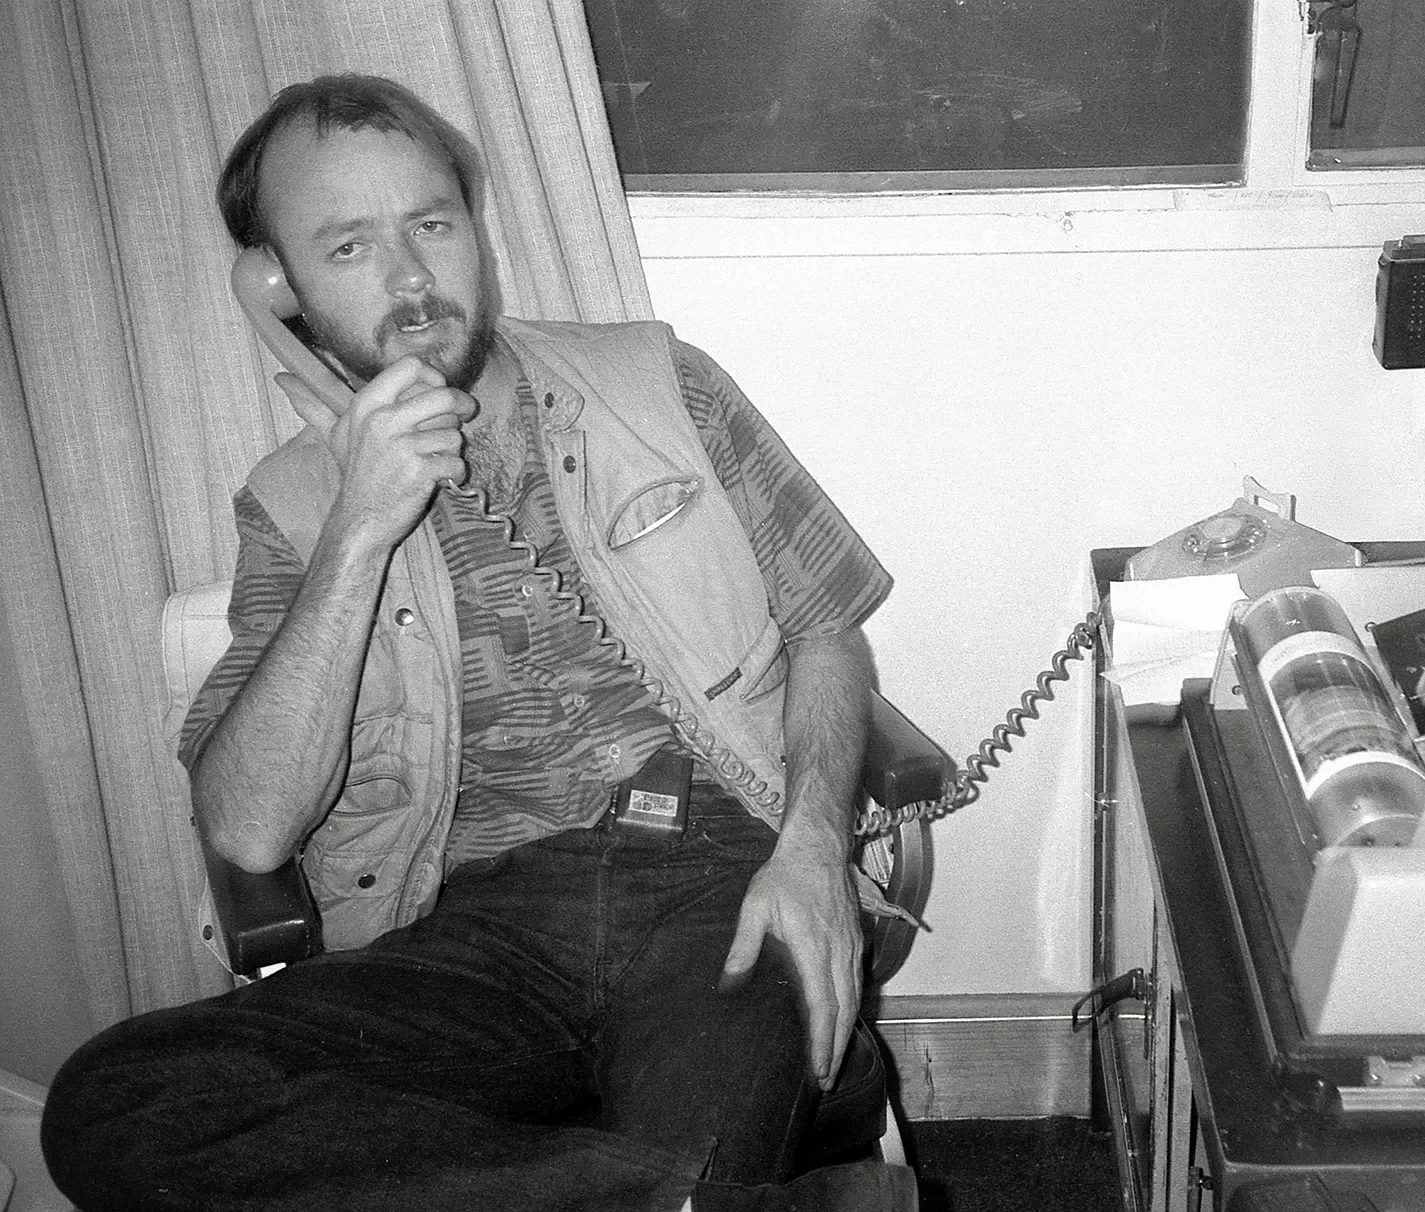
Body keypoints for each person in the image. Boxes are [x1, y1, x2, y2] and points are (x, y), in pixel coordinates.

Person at [41, 73, 914, 1212]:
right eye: (348, 247)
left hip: (722, 875)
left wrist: (809, 856)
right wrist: (360, 524)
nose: (411, 279)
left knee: (691, 1133)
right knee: (120, 1098)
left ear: (476, 229)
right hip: (480, 934)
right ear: (278, 288)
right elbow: (248, 826)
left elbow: (826, 630)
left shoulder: (659, 382)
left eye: (432, 225)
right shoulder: (292, 507)